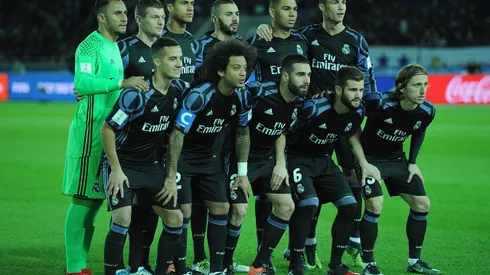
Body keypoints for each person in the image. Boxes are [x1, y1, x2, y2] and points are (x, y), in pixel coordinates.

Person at [257, 0, 377, 267]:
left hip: (341, 117)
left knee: (350, 175)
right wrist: (265, 30)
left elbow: (367, 74)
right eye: (335, 2)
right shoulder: (306, 37)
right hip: (310, 118)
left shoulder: (356, 40)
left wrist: (367, 102)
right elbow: (285, 45)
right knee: (305, 185)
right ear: (322, 6)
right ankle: (304, 245)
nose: (342, 7)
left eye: (345, 2)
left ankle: (352, 243)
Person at [62, 1, 148, 274]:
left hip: (110, 133)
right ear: (101, 17)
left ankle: (80, 265)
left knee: (95, 201)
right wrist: (121, 83)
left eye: (125, 13)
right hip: (90, 132)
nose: (124, 18)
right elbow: (82, 84)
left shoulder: (115, 47)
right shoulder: (90, 46)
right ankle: (75, 268)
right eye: (118, 13)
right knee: (83, 200)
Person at [165, 39, 256, 275]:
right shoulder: (199, 95)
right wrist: (171, 173)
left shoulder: (243, 97)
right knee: (183, 213)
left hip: (209, 160)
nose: (242, 73)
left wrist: (243, 174)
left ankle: (217, 269)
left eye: (245, 68)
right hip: (184, 160)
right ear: (220, 70)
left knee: (221, 207)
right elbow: (177, 134)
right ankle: (182, 268)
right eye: (236, 68)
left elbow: (243, 132)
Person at [101, 36, 188, 275]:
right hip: (124, 164)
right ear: (157, 62)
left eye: (180, 58)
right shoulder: (137, 94)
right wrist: (116, 170)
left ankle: (159, 271)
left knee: (175, 219)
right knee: (122, 219)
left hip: (151, 167)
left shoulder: (179, 91)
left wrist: (170, 178)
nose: (179, 63)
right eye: (173, 59)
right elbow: (107, 129)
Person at [285, 66, 380, 275]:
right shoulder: (313, 109)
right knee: (309, 204)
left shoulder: (358, 111)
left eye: (361, 90)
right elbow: (284, 131)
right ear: (338, 90)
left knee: (350, 206)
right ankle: (296, 264)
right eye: (352, 90)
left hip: (324, 160)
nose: (358, 95)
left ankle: (335, 266)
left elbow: (352, 133)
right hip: (297, 159)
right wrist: (280, 164)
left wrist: (364, 164)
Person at [219, 54, 307, 275]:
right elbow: (239, 128)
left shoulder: (300, 102)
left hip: (267, 160)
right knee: (239, 210)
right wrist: (241, 170)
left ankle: (259, 265)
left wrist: (280, 164)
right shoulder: (257, 92)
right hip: (238, 157)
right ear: (285, 76)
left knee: (287, 206)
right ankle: (225, 265)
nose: (306, 80)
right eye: (300, 74)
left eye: (308, 75)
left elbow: (281, 131)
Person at [358, 64, 440, 275]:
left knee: (422, 204)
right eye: (417, 85)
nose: (423, 90)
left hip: (396, 160)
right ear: (402, 88)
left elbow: (419, 131)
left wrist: (412, 162)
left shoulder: (428, 111)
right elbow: (351, 124)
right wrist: (357, 162)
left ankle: (414, 262)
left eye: (425, 85)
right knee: (375, 205)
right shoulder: (380, 104)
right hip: (369, 160)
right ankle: (368, 264)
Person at [246, 2, 308, 268]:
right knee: (258, 196)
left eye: (295, 9)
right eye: (285, 8)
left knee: (293, 195)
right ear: (272, 12)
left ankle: (298, 252)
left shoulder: (303, 41)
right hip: (258, 128)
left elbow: (309, 76)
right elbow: (242, 77)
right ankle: (260, 257)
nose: (292, 13)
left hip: (288, 125)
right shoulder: (258, 40)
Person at [191, 1, 243, 273]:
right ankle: (200, 257)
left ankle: (224, 259)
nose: (234, 19)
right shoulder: (200, 47)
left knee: (231, 199)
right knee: (202, 198)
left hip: (234, 131)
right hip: (206, 133)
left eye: (236, 14)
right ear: (214, 18)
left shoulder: (243, 46)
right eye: (228, 14)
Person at [116, 1, 166, 273]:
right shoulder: (124, 49)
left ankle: (140, 263)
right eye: (155, 17)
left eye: (162, 17)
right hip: (128, 142)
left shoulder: (166, 49)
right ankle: (121, 265)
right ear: (138, 19)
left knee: (148, 208)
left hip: (157, 142)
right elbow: (112, 83)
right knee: (125, 209)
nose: (160, 22)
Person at [162, 0, 196, 82]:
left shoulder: (192, 39)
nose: (190, 8)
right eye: (184, 3)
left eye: (192, 3)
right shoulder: (159, 38)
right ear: (170, 7)